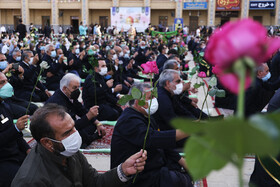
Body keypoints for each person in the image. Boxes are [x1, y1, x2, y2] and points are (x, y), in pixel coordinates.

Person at [11, 103, 147, 187]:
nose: (75, 134)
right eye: (67, 132)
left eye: (74, 127)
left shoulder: (69, 152)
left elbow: (94, 182)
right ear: (47, 142)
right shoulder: (31, 180)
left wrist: (123, 170)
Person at [111, 83, 193, 187]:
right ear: (138, 101)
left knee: (180, 170)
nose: (154, 100)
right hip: (134, 176)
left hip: (151, 165)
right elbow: (154, 138)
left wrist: (182, 161)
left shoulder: (146, 115)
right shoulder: (128, 120)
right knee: (179, 180)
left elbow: (162, 144)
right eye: (151, 97)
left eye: (154, 97)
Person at [46, 73, 106, 148]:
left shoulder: (69, 96)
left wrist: (97, 123)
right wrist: (88, 116)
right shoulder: (58, 103)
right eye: (74, 88)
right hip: (59, 132)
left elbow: (81, 110)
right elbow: (69, 127)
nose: (77, 91)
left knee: (92, 124)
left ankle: (86, 138)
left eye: (78, 88)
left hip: (70, 126)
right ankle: (90, 138)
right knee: (80, 137)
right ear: (65, 88)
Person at [0, 71, 30, 187]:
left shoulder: (5, 105)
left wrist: (27, 149)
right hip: (3, 159)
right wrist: (16, 128)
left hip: (14, 153)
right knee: (23, 181)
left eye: (6, 81)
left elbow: (16, 135)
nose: (7, 85)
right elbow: (12, 131)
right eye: (2, 83)